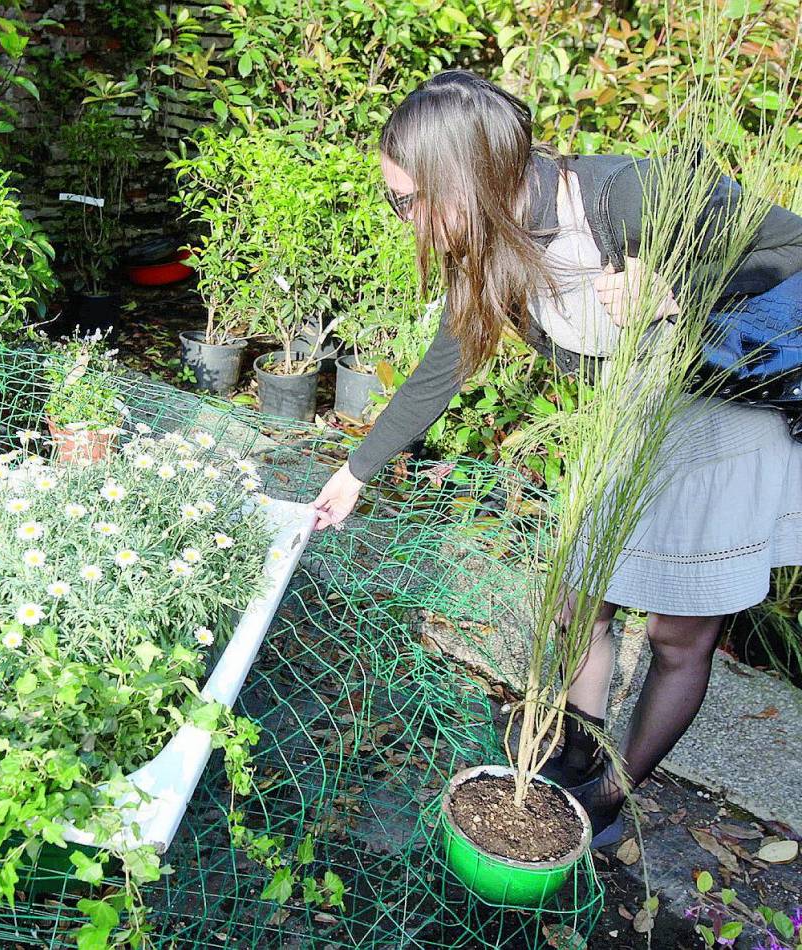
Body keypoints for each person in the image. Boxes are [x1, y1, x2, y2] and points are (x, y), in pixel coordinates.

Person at [310, 70, 802, 847]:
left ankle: (612, 793)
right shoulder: (491, 245)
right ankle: (579, 745)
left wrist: (679, 283)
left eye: (407, 199)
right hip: (632, 429)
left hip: (720, 433)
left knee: (679, 637)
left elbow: (792, 246)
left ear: (462, 177)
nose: (401, 217)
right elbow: (444, 364)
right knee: (580, 604)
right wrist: (353, 474)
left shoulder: (629, 193)